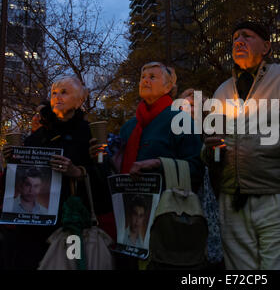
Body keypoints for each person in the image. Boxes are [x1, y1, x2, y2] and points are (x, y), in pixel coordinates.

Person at [202, 21, 280, 270]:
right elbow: (208, 150)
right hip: (232, 202)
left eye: (247, 36)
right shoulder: (221, 91)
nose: (238, 41)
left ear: (266, 47)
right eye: (234, 38)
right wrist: (210, 152)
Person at [90, 62, 204, 270]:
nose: (145, 80)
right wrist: (99, 157)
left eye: (152, 76)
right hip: (126, 222)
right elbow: (112, 173)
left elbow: (196, 168)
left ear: (168, 87)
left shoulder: (180, 120)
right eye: (143, 77)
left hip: (165, 222)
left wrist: (159, 164)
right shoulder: (130, 126)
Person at [2, 76, 109, 269]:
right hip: (33, 227)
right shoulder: (38, 136)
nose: (57, 97)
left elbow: (104, 181)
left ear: (80, 100)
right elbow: (17, 181)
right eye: (54, 93)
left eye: (64, 92)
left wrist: (77, 172)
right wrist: (12, 162)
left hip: (69, 224)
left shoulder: (89, 135)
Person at [179, 88, 224, 269]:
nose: (188, 109)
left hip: (209, 194)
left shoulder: (210, 131)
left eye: (193, 106)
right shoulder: (176, 131)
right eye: (184, 105)